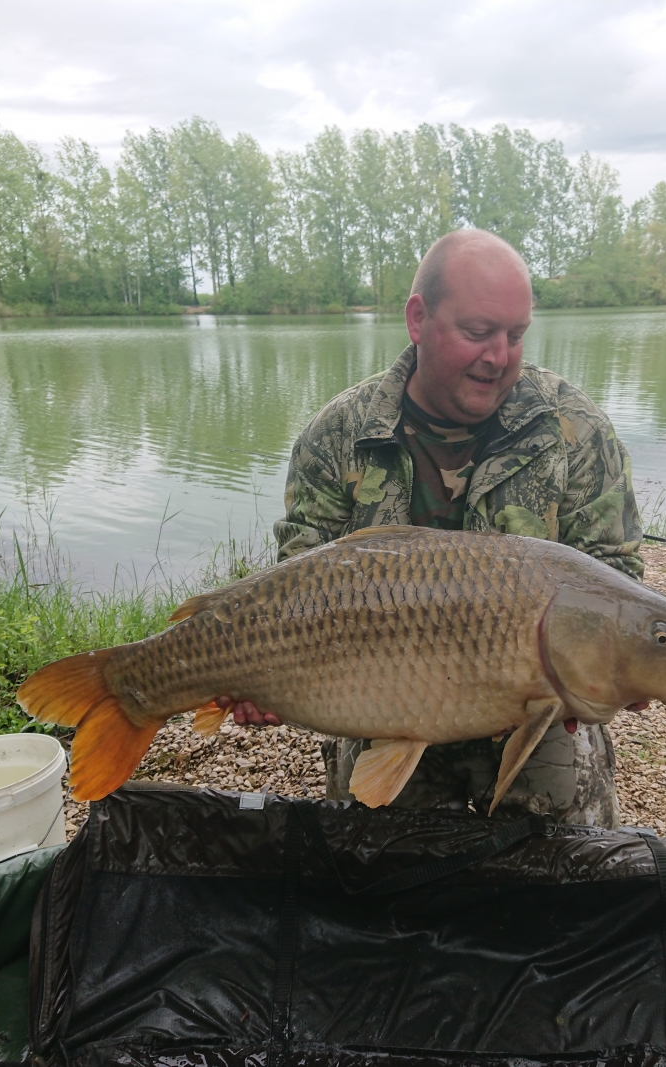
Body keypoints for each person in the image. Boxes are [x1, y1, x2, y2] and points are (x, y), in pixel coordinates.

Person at [229, 229, 644, 827]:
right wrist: (258, 677)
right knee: (380, 869)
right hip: (381, 703)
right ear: (418, 319)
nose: (498, 356)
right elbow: (298, 583)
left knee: (564, 869)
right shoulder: (338, 434)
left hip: (530, 711)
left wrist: (605, 672)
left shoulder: (574, 429)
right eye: (477, 332)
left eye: (515, 335)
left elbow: (616, 577)